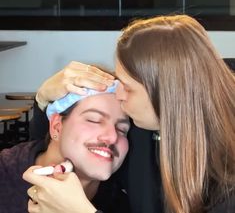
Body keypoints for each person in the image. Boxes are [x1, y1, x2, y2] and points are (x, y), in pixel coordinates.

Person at [23, 14, 235, 213]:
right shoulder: (138, 129)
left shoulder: (226, 176)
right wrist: (43, 98)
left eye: (128, 87)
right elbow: (55, 138)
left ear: (167, 95)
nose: (118, 94)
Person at [0, 81, 131, 213]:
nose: (113, 137)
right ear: (57, 127)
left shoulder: (124, 205)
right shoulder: (4, 173)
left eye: (122, 129)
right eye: (94, 120)